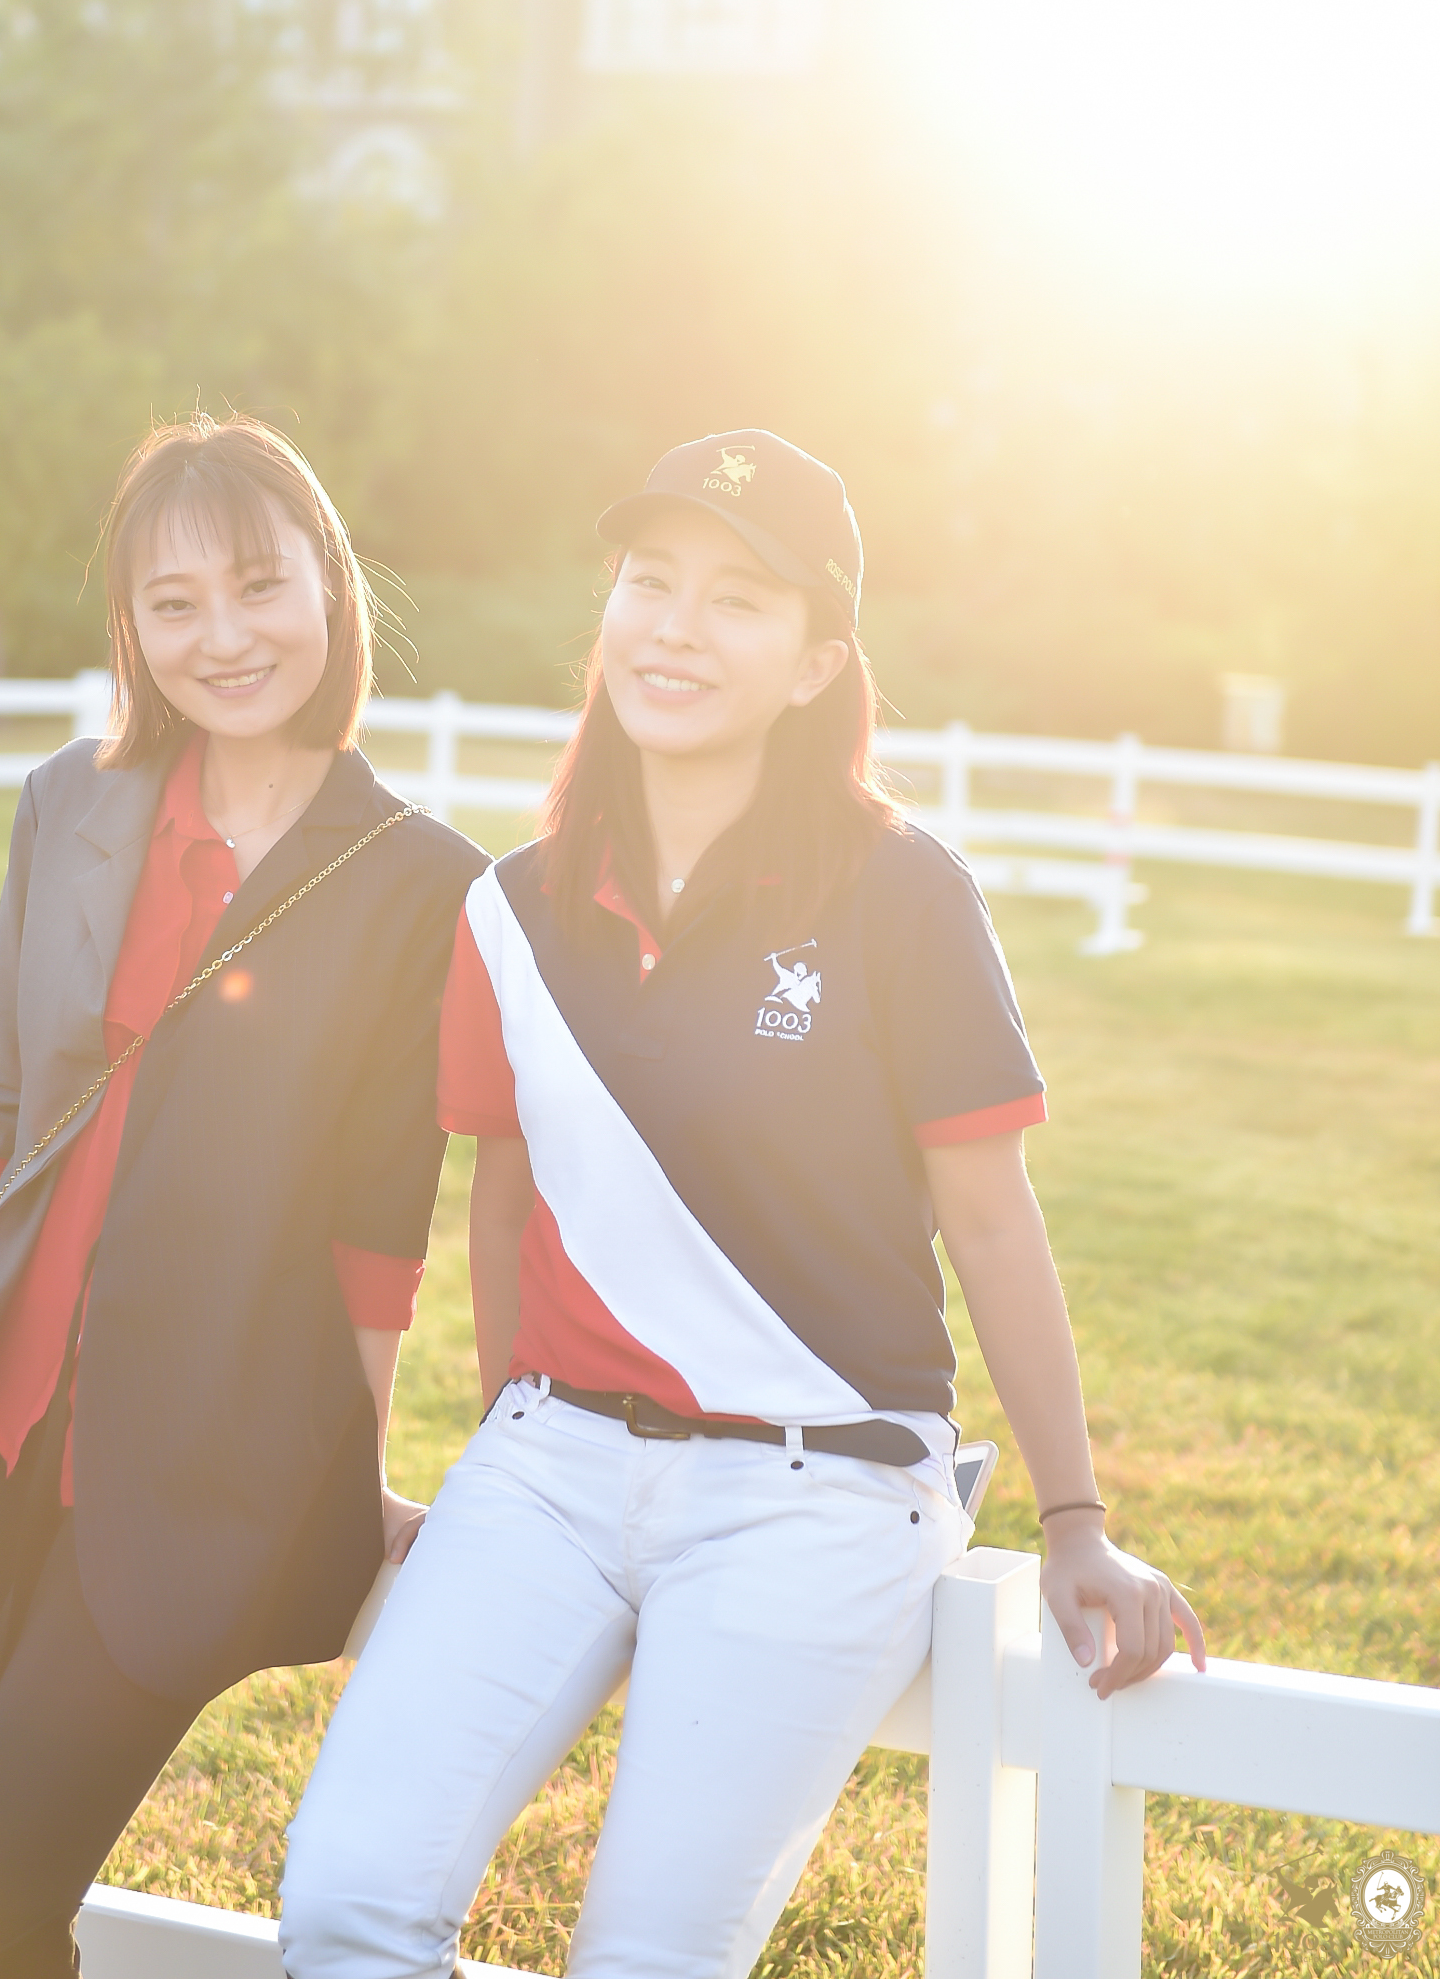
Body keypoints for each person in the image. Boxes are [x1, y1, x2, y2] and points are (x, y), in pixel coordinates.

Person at [279, 428, 1207, 1979]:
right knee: (344, 1903)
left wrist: (1077, 1522)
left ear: (815, 663)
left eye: (739, 600)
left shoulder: (904, 894)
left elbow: (992, 1224)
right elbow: (504, 1204)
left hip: (819, 1487)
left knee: (647, 1958)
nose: (677, 628)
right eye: (651, 582)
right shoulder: (510, 908)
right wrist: (511, 1443)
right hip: (550, 1467)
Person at [0, 414, 483, 1979]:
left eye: (258, 586)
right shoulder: (70, 804)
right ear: (133, 626)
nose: (222, 636)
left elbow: (381, 1224)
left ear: (329, 583)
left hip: (197, 1461)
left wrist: (358, 1466)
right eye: (175, 604)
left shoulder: (418, 879)